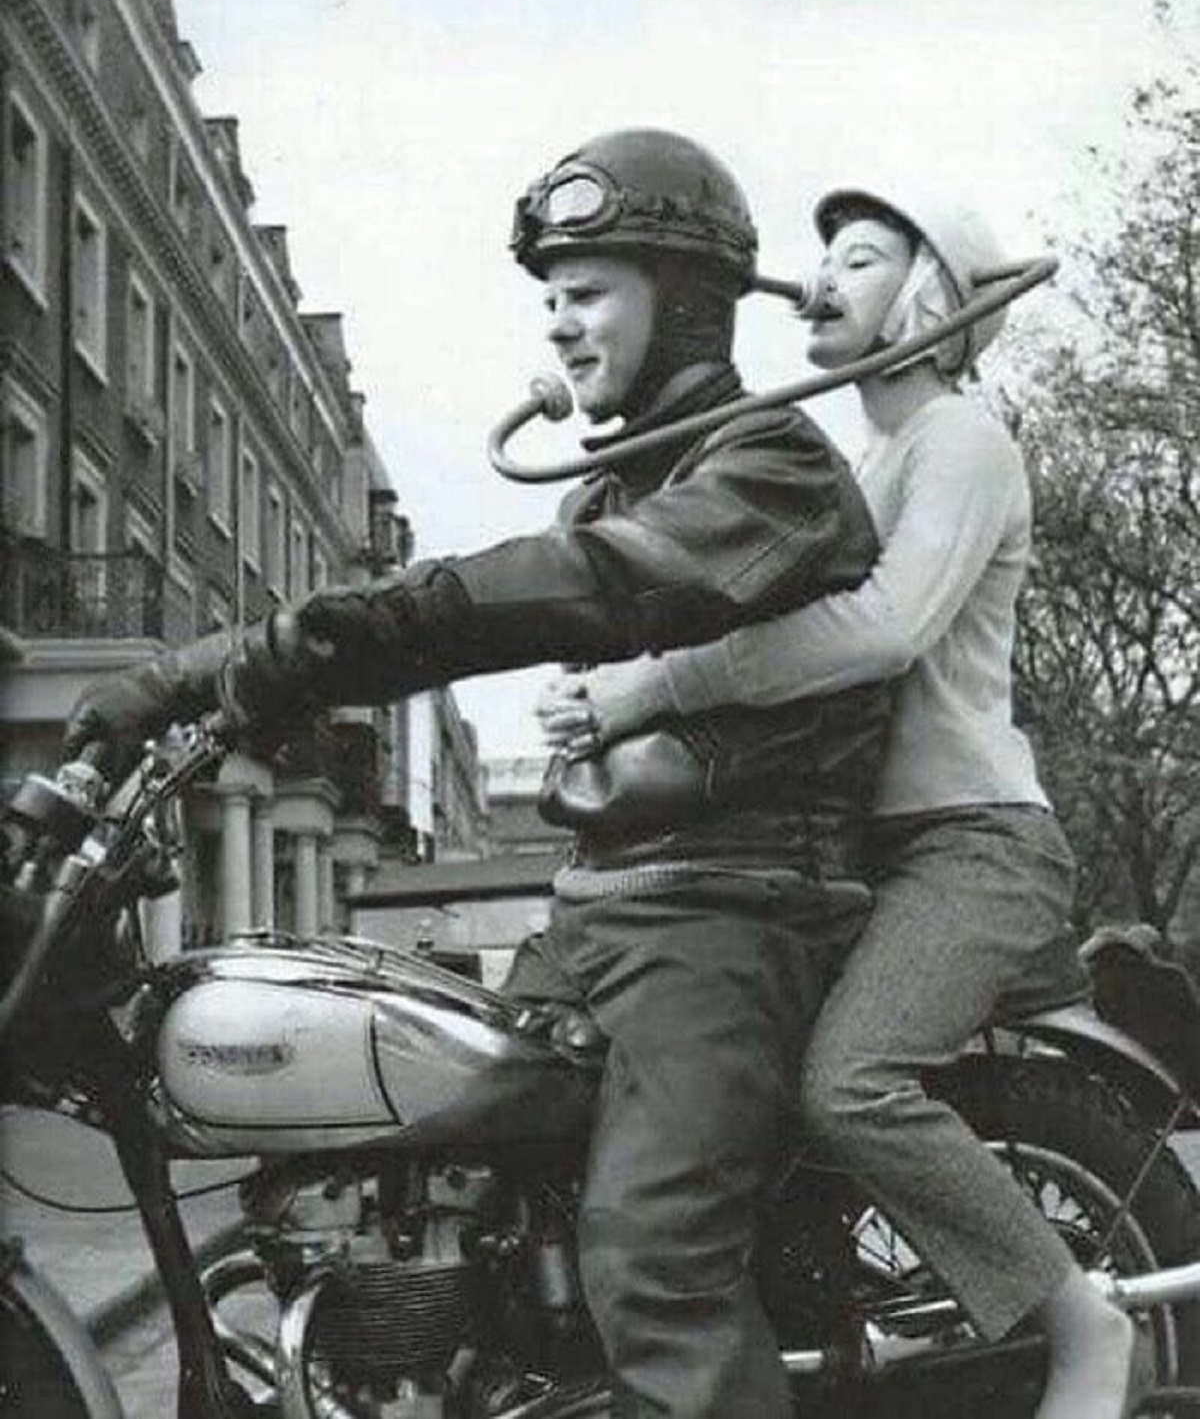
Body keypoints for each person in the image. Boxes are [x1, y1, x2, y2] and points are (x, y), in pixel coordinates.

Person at [64, 130, 894, 1418]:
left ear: (684, 300)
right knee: (434, 1144)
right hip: (612, 908)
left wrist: (245, 664)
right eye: (551, 299)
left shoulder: (767, 468)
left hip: (733, 910)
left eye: (590, 292)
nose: (561, 329)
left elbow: (566, 592)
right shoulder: (622, 481)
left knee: (655, 1264)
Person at [537, 186, 1136, 1419]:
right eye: (819, 256)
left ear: (929, 304)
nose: (821, 276)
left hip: (972, 845)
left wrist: (651, 688)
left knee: (851, 1085)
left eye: (859, 258)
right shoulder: (866, 459)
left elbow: (882, 629)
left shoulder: (959, 440)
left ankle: (1086, 1324)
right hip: (866, 848)